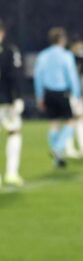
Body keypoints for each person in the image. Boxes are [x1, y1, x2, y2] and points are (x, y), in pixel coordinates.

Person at [33, 27, 80, 168]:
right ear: (62, 40)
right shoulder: (66, 55)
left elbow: (38, 77)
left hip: (48, 93)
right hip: (62, 92)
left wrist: (39, 96)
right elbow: (72, 76)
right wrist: (76, 94)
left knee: (54, 124)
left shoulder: (43, 55)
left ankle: (57, 160)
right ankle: (58, 148)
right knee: (71, 121)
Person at [0, 19, 25, 186]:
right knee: (14, 132)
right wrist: (18, 98)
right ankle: (11, 173)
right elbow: (14, 76)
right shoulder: (10, 51)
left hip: (5, 100)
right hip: (5, 101)